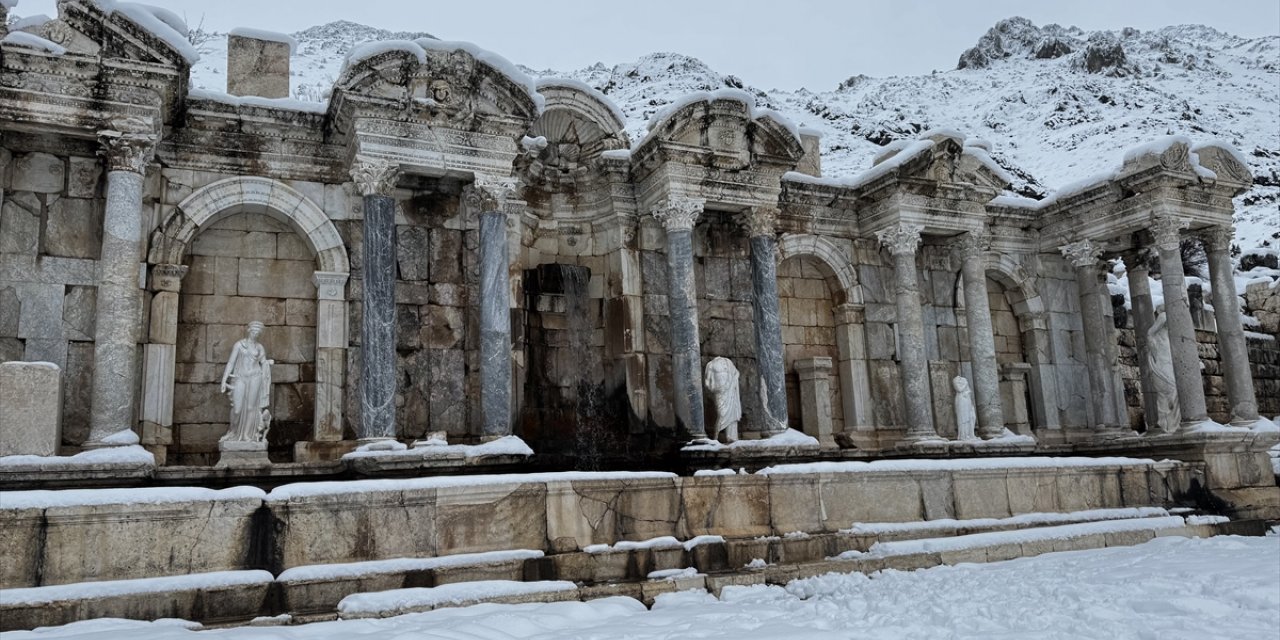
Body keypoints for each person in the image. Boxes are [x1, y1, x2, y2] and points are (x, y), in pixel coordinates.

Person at [219, 321, 274, 442]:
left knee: (251, 408)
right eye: (253, 331)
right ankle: (233, 432)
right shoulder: (239, 345)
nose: (255, 333)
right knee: (237, 409)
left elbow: (263, 362)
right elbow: (231, 363)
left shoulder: (259, 347)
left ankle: (247, 435)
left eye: (258, 332)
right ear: (249, 330)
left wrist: (267, 363)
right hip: (240, 377)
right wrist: (224, 380)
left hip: (255, 377)